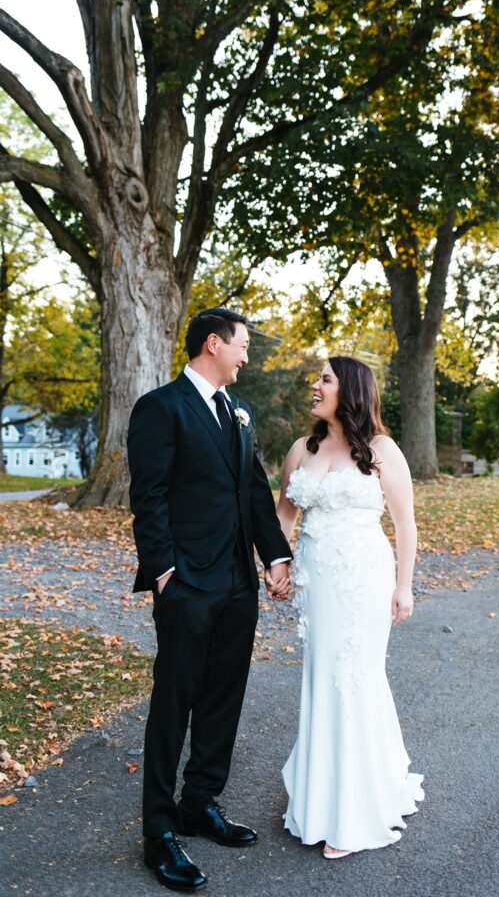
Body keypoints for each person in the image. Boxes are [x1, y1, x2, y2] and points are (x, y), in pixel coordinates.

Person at [127, 308, 292, 891]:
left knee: (224, 695)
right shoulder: (160, 408)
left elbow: (254, 490)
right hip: (188, 583)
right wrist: (165, 572)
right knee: (174, 701)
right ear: (214, 344)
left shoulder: (236, 413)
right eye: (243, 346)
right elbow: (148, 497)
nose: (247, 357)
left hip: (237, 583)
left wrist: (275, 557)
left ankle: (200, 803)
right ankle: (159, 832)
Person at [276, 355, 424, 859]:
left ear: (352, 390)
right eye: (317, 379)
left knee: (355, 677)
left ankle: (355, 810)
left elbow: (405, 524)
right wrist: (278, 565)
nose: (315, 386)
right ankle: (321, 798)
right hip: (317, 583)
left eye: (325, 379)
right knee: (322, 677)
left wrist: (404, 586)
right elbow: (285, 515)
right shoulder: (303, 448)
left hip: (364, 579)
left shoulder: (381, 449)